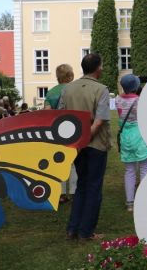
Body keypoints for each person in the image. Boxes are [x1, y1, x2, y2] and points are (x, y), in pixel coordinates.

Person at [59, 53, 111, 241]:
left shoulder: (68, 89)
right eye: (102, 66)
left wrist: (77, 143)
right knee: (94, 187)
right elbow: (98, 122)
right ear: (98, 68)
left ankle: (72, 229)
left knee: (81, 185)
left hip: (76, 146)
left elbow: (61, 118)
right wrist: (86, 139)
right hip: (95, 144)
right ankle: (86, 232)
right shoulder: (101, 89)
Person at [116, 74, 147, 212]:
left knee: (129, 170)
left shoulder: (118, 99)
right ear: (136, 87)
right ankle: (145, 200)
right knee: (145, 169)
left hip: (126, 137)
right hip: (140, 136)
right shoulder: (140, 101)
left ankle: (130, 202)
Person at [45, 63, 77, 203]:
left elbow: (46, 113)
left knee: (59, 160)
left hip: (56, 131)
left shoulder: (51, 92)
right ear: (71, 76)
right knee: (74, 161)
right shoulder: (76, 90)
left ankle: (62, 193)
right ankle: (76, 191)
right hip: (74, 129)